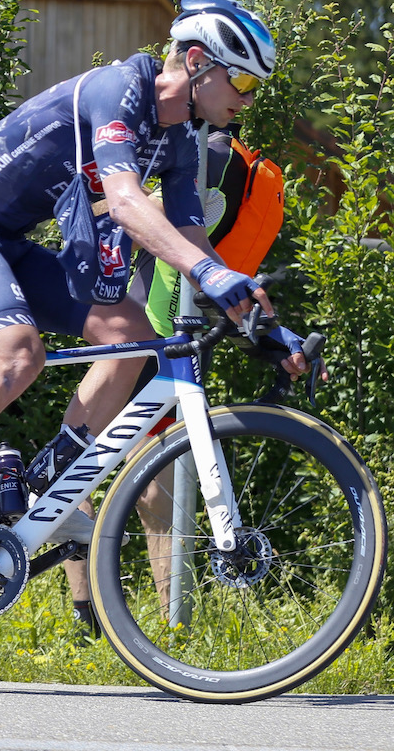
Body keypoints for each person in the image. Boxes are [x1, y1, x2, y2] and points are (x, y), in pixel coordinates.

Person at [0, 0, 314, 615]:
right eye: (240, 79)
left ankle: (43, 489)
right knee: (18, 355)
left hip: (7, 240)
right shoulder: (118, 91)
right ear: (195, 63)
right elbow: (130, 205)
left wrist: (260, 321)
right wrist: (215, 276)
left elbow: (191, 242)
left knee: (129, 336)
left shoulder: (186, 136)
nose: (247, 96)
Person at [64, 128, 291, 636]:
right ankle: (169, 627)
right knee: (157, 499)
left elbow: (144, 219)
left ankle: (89, 619)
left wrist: (88, 207)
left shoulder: (205, 158)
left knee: (71, 460)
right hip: (181, 338)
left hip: (146, 333)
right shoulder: (252, 172)